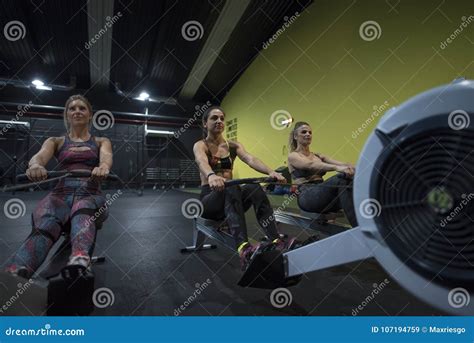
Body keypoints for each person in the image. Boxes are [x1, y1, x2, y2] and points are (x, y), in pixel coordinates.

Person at [5, 95, 113, 279]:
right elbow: (39, 157)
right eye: (72, 108)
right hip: (60, 194)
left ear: (90, 116)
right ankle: (17, 272)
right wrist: (35, 166)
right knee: (47, 220)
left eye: (82, 108)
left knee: (81, 209)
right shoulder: (55, 141)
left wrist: (103, 168)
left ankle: (79, 260)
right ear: (67, 115)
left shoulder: (101, 141)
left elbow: (106, 158)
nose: (77, 111)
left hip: (90, 193)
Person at [193, 106, 295, 270]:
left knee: (253, 187)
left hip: (230, 197)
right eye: (214, 118)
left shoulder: (232, 146)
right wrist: (211, 175)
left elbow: (250, 159)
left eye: (221, 118)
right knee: (232, 186)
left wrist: (271, 172)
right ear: (205, 123)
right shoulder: (200, 145)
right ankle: (244, 249)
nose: (219, 121)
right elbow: (201, 161)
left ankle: (276, 240)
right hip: (210, 201)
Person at [287, 121, 358, 227]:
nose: (308, 134)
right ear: (295, 136)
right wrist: (337, 168)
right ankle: (359, 228)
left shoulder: (318, 156)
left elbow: (343, 164)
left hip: (321, 193)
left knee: (351, 180)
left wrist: (359, 168)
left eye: (310, 132)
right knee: (340, 179)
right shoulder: (293, 156)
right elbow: (310, 165)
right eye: (304, 132)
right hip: (307, 196)